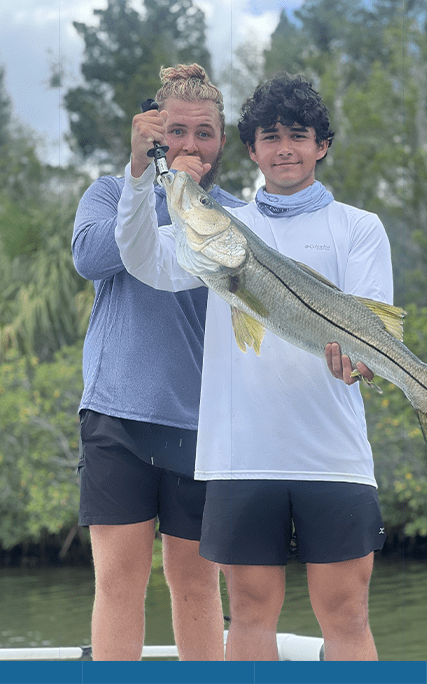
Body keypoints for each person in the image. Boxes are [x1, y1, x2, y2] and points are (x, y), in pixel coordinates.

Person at [115, 72, 393, 661]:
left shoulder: (360, 227)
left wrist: (362, 365)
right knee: (248, 615)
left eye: (299, 135)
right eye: (270, 136)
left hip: (334, 457)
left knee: (346, 613)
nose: (284, 148)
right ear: (251, 149)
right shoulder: (224, 229)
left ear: (322, 145)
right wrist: (141, 175)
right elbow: (142, 260)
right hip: (241, 458)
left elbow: (371, 331)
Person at [72, 63, 246, 661]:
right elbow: (96, 258)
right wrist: (147, 180)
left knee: (196, 579)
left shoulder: (235, 216)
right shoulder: (109, 192)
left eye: (204, 132)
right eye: (176, 131)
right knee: (119, 580)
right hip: (116, 415)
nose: (190, 145)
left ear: (222, 140)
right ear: (152, 133)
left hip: (201, 426)